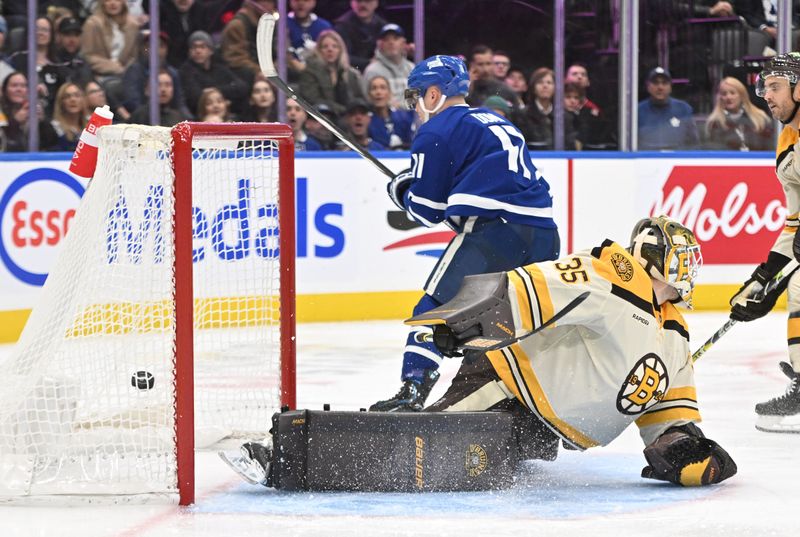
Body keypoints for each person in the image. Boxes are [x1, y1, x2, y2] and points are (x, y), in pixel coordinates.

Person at [223, 216, 737, 490]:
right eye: (681, 256)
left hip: (541, 429)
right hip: (502, 386)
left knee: (465, 468)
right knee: (420, 451)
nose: (690, 267)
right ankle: (294, 456)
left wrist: (683, 453)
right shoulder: (614, 276)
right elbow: (534, 284)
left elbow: (664, 414)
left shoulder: (675, 336)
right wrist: (467, 321)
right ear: (651, 254)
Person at [369, 55, 560, 412]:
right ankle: (520, 400)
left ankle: (413, 390)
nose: (417, 105)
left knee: (435, 308)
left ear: (435, 93)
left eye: (418, 95)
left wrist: (401, 191)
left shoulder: (435, 130)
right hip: (545, 234)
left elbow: (428, 210)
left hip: (496, 234)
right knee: (514, 319)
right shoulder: (492, 119)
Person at [728, 52, 800, 433]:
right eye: (764, 87)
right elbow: (796, 225)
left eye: (775, 86)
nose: (766, 96)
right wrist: (765, 277)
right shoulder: (787, 141)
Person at [179, 30, 249, 117]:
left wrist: (215, 90)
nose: (198, 51)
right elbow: (195, 97)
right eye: (194, 47)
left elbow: (242, 87)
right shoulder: (186, 71)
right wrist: (223, 96)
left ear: (211, 50)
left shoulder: (219, 69)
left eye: (202, 47)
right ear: (189, 51)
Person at [297, 29, 366, 117]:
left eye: (335, 46)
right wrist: (343, 110)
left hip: (348, 118)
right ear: (319, 50)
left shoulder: (351, 74)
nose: (330, 50)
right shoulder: (310, 71)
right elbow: (312, 99)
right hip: (321, 117)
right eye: (325, 47)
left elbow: (358, 98)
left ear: (340, 50)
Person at [638, 67, 699, 150]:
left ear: (670, 87)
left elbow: (693, 144)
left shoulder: (684, 109)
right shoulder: (637, 111)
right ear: (648, 87)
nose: (660, 87)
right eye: (655, 83)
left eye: (664, 83)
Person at [704, 76, 773, 151]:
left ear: (742, 95)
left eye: (732, 93)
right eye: (724, 94)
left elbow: (769, 147)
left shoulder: (760, 118)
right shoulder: (714, 123)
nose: (728, 97)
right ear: (720, 98)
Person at [81, 0, 140, 85]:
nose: (113, 3)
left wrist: (127, 70)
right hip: (98, 75)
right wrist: (113, 67)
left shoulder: (133, 25)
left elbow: (134, 56)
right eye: (108, 0)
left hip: (127, 75)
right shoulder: (92, 24)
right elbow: (87, 55)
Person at [221, 0, 276, 86]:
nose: (269, 5)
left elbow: (282, 53)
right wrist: (260, 72)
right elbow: (236, 59)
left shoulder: (272, 23)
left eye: (271, 2)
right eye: (264, 1)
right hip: (246, 76)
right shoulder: (237, 25)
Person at [0, 71, 57, 152]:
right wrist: (15, 122)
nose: (19, 89)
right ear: (5, 89)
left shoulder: (34, 109)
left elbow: (51, 143)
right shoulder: (1, 112)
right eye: (14, 85)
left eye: (23, 86)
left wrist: (42, 122)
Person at [362, 23, 414, 109]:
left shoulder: (412, 68)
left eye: (395, 38)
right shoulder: (372, 71)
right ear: (380, 44)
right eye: (386, 39)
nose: (391, 42)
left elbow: (413, 103)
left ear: (403, 43)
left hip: (409, 119)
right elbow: (368, 102)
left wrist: (400, 108)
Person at [333, 0, 388, 72]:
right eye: (358, 1)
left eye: (367, 1)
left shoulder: (383, 26)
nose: (362, 5)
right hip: (352, 72)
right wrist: (369, 63)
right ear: (351, 3)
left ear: (376, 3)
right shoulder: (342, 26)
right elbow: (342, 57)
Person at [366, 74, 414, 149]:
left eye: (383, 88)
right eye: (374, 88)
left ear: (390, 93)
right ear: (369, 95)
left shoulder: (403, 117)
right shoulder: (366, 122)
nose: (378, 92)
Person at [286, 0, 332, 76]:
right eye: (296, 0)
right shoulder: (281, 24)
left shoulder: (324, 26)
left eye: (306, 0)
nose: (301, 3)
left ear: (314, 2)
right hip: (289, 77)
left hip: (319, 75)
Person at [521, 67, 555, 150]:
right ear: (533, 88)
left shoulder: (563, 116)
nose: (545, 86)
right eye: (540, 82)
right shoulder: (523, 114)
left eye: (549, 83)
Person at [48, 81, 86, 151]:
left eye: (77, 95)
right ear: (61, 102)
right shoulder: (52, 129)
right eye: (67, 96)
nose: (73, 99)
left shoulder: (90, 128)